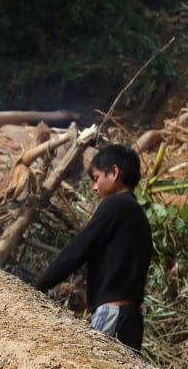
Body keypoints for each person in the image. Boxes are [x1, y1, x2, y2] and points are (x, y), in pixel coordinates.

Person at [35, 144, 153, 351]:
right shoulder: (137, 214)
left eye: (96, 178)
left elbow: (77, 251)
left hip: (112, 313)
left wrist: (37, 287)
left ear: (114, 172)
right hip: (131, 319)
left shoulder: (115, 205)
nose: (94, 187)